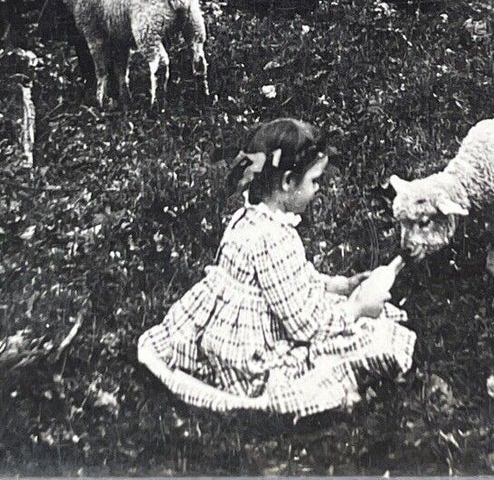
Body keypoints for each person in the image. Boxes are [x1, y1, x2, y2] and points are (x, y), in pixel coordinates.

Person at [138, 118, 416, 416]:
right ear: (287, 182)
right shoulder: (275, 239)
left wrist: (339, 286)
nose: (318, 189)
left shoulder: (248, 218)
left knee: (354, 314)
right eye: (314, 181)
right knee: (362, 335)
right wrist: (357, 307)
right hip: (247, 343)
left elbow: (291, 279)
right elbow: (306, 325)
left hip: (231, 321)